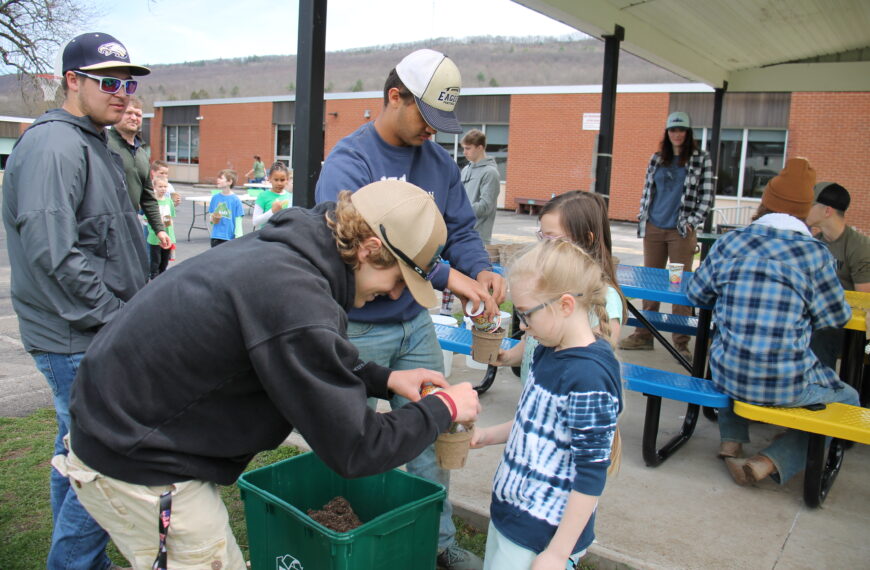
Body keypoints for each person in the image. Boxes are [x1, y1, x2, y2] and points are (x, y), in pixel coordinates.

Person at [59, 180, 481, 568]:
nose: (393, 294)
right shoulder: (296, 298)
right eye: (398, 280)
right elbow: (356, 447)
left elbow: (295, 352)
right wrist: (443, 408)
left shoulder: (296, 250)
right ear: (370, 248)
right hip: (139, 458)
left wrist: (383, 379)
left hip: (126, 425)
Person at [315, 48, 505, 570]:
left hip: (414, 325)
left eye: (444, 122)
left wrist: (481, 267)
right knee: (350, 442)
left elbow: (461, 229)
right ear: (394, 96)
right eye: (427, 117)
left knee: (431, 431)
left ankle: (435, 543)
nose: (434, 132)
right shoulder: (349, 162)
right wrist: (453, 277)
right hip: (357, 326)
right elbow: (365, 242)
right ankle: (354, 537)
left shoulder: (439, 162)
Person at [1, 31, 150, 570]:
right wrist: (117, 322)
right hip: (77, 339)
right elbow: (54, 255)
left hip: (90, 335)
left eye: (128, 83)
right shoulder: (55, 145)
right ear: (72, 81)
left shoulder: (91, 138)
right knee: (107, 462)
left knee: (75, 455)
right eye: (109, 81)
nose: (123, 93)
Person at [686, 158, 860, 486]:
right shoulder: (814, 254)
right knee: (849, 400)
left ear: (765, 202)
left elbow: (697, 294)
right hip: (783, 382)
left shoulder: (730, 243)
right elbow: (835, 317)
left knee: (735, 341)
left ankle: (731, 440)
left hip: (727, 373)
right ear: (805, 209)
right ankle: (771, 460)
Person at [471, 239, 622, 570]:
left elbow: (591, 475)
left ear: (565, 305)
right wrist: (486, 436)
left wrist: (557, 552)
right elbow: (535, 424)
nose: (522, 327)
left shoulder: (588, 378)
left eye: (526, 315)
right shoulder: (546, 349)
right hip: (512, 515)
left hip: (543, 533)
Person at [497, 191, 626, 384]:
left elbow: (596, 362)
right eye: (542, 236)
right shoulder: (550, 285)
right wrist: (508, 357)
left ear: (587, 240)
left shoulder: (605, 297)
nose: (543, 246)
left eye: (552, 239)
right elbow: (532, 340)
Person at [619, 111, 713, 361]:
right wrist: (644, 217)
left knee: (678, 285)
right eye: (673, 130)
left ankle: (681, 341)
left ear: (688, 132)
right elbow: (647, 190)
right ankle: (643, 335)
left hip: (681, 230)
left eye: (681, 130)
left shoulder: (700, 159)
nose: (677, 134)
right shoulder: (658, 158)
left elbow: (706, 196)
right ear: (667, 133)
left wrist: (693, 221)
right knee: (651, 281)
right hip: (654, 227)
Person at [805, 182, 870, 370]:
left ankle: (823, 389)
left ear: (827, 211)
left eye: (810, 204)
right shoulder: (813, 244)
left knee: (822, 334)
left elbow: (863, 304)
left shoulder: (859, 247)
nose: (804, 209)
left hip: (850, 327)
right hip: (819, 319)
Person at [107, 96, 171, 250]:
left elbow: (148, 196)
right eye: (128, 113)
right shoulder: (104, 144)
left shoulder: (141, 153)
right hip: (106, 225)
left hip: (131, 223)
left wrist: (159, 229)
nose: (134, 118)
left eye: (138, 114)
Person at [460, 129, 500, 243]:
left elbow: (485, 207)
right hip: (460, 234)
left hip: (477, 238)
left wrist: (459, 210)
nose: (464, 152)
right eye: (463, 148)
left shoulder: (490, 172)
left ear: (480, 148)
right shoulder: (466, 169)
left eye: (468, 148)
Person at [146, 177, 176, 279]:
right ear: (154, 187)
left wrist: (171, 235)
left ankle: (161, 280)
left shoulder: (169, 201)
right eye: (160, 186)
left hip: (168, 236)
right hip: (155, 238)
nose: (163, 189)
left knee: (164, 262)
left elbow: (170, 218)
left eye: (165, 186)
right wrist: (160, 223)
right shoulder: (152, 202)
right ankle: (154, 280)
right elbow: (147, 219)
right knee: (155, 262)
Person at [209, 169, 244, 247]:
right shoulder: (215, 198)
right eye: (218, 178)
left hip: (229, 238)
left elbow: (238, 222)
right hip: (216, 237)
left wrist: (238, 238)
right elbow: (211, 220)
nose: (218, 179)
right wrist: (213, 218)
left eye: (221, 178)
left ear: (229, 182)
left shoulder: (236, 200)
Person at [252, 161, 292, 230]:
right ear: (270, 179)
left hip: (284, 236)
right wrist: (272, 211)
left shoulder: (290, 196)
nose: (279, 183)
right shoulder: (263, 196)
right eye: (276, 180)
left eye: (282, 180)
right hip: (267, 237)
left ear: (287, 180)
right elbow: (255, 222)